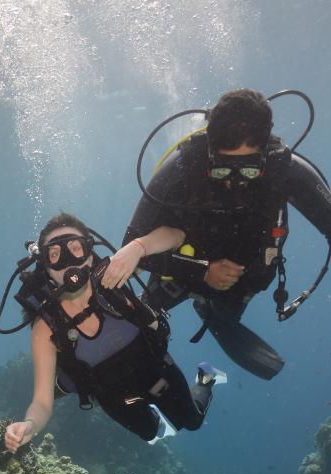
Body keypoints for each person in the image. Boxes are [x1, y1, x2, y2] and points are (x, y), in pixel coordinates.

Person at [103, 88, 331, 380]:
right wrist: (203, 272)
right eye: (223, 170)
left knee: (223, 313)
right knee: (135, 329)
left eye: (249, 171)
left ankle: (213, 315)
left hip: (243, 282)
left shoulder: (283, 169)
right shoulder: (185, 167)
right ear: (210, 150)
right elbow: (130, 251)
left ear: (265, 153)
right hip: (178, 273)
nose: (234, 184)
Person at [4, 212, 226, 454]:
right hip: (113, 398)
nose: (68, 261)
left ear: (90, 253)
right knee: (151, 433)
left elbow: (176, 235)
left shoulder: (115, 275)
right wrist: (30, 425)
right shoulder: (45, 328)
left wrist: (138, 247)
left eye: (75, 248)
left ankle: (206, 378)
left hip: (157, 372)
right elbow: (41, 402)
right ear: (46, 267)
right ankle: (156, 425)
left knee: (192, 423)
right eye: (54, 254)